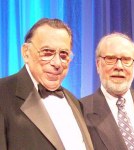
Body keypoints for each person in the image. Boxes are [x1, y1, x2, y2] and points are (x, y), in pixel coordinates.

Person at [0, 18, 93, 149]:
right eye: (47, 53)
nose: (57, 63)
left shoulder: (75, 102)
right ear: (26, 52)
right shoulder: (2, 94)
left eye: (64, 55)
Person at [80, 32, 134, 150]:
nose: (119, 66)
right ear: (98, 65)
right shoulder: (80, 110)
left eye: (126, 59)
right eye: (110, 59)